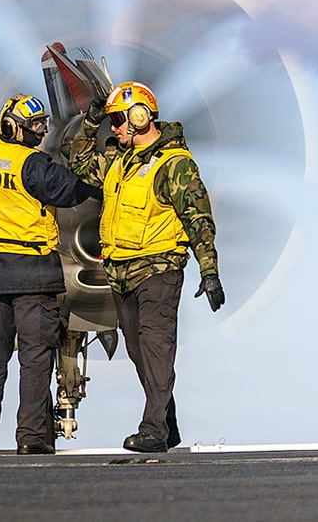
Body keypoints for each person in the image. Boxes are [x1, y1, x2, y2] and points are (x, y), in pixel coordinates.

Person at [69, 81, 224, 453]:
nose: (115, 128)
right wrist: (90, 121)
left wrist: (209, 270)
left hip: (159, 270)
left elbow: (198, 217)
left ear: (139, 117)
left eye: (117, 121)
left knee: (156, 347)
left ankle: (152, 430)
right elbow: (78, 163)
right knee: (140, 352)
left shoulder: (175, 165)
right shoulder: (118, 163)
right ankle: (168, 426)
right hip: (121, 275)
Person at [0, 94, 101, 455]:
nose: (42, 131)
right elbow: (70, 191)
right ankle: (31, 438)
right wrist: (102, 183)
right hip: (33, 275)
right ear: (12, 126)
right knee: (35, 359)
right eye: (35, 126)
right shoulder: (33, 164)